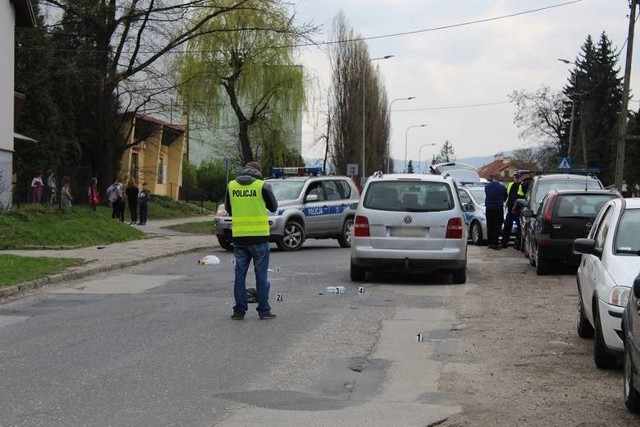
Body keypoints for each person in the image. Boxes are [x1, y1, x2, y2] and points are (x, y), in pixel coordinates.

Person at [225, 161, 278, 320]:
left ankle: (239, 311)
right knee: (261, 275)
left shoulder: (231, 186)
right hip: (259, 237)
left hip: (240, 238)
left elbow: (229, 209)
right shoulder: (263, 186)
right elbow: (273, 207)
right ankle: (264, 310)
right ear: (258, 172)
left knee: (239, 275)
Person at [484, 172, 507, 250]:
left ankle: (490, 243)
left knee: (490, 225)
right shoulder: (502, 187)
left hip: (489, 208)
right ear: (498, 177)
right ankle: (495, 243)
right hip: (498, 208)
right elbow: (505, 197)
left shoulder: (487, 186)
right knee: (497, 225)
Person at [501, 172, 523, 249]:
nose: (517, 179)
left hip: (518, 210)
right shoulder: (510, 184)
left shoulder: (521, 185)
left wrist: (515, 207)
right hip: (510, 209)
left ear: (520, 178)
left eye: (518, 177)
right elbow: (506, 195)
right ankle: (504, 243)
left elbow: (519, 197)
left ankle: (518, 244)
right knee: (507, 226)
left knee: (519, 227)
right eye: (515, 177)